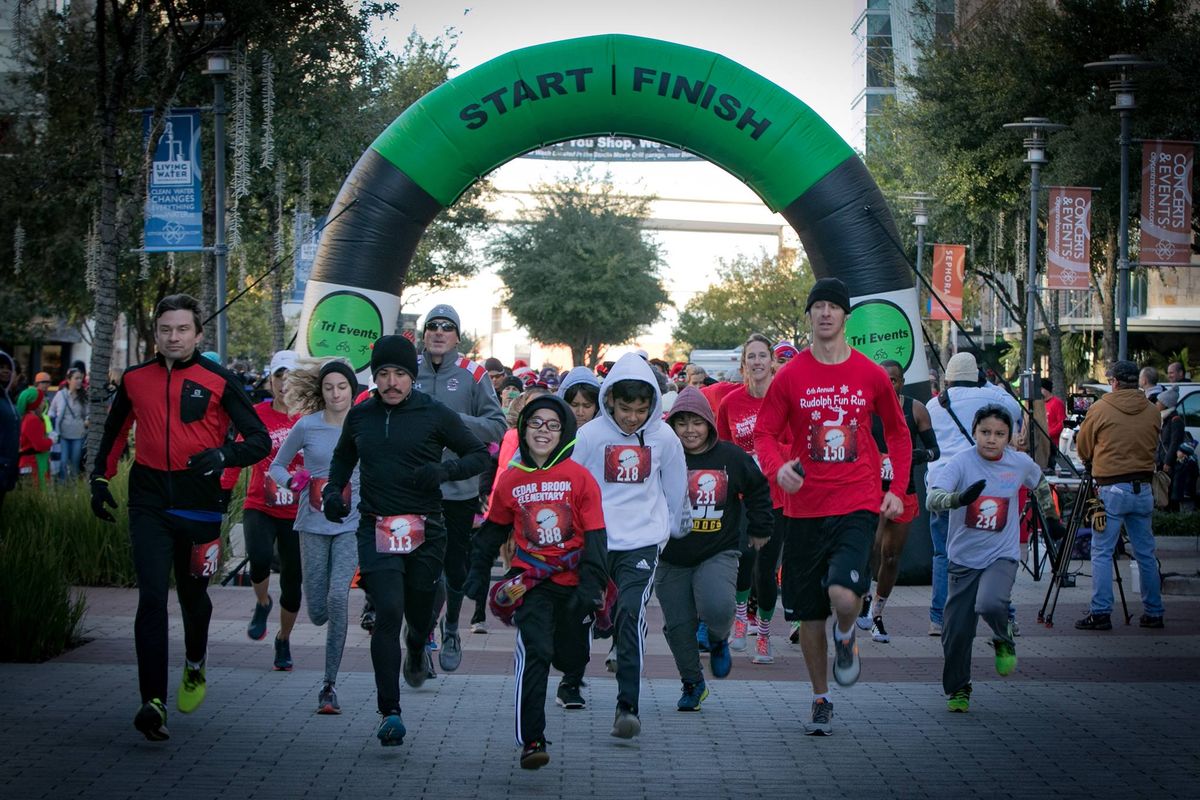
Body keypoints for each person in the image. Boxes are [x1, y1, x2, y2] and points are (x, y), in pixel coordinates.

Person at [90, 294, 270, 742]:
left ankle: (194, 664)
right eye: (166, 329)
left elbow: (259, 440)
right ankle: (152, 701)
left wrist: (224, 454)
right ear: (156, 332)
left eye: (183, 329)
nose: (174, 336)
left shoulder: (219, 380)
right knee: (151, 599)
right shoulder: (134, 379)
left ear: (198, 333)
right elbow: (114, 435)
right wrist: (99, 478)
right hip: (149, 503)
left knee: (193, 599)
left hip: (201, 507)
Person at [752, 277, 912, 736]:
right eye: (817, 306)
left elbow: (898, 434)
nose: (825, 313)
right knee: (807, 614)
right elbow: (764, 433)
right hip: (802, 507)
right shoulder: (791, 375)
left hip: (856, 501)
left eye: (833, 307)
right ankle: (820, 698)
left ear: (846, 316)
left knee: (843, 594)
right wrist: (776, 467)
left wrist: (896, 489)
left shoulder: (870, 373)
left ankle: (848, 634)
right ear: (810, 316)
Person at [322, 334, 489, 746]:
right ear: (374, 377)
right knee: (387, 612)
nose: (391, 382)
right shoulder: (361, 416)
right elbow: (344, 456)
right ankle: (389, 712)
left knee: (416, 615)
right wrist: (332, 491)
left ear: (411, 377)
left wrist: (444, 473)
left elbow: (481, 455)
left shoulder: (434, 413)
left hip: (426, 530)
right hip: (375, 526)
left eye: (399, 373)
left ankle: (417, 646)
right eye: (383, 374)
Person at [463, 394, 608, 769]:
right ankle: (532, 739)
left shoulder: (581, 477)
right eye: (536, 423)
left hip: (575, 582)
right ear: (524, 429)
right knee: (537, 653)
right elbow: (491, 534)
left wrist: (591, 590)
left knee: (571, 656)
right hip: (530, 582)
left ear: (564, 433)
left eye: (553, 425)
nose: (543, 431)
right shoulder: (510, 479)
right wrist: (477, 578)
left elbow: (596, 538)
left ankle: (572, 669)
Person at [572, 352, 688, 739]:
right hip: (597, 539)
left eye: (641, 409)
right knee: (584, 615)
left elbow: (675, 485)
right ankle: (571, 679)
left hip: (642, 541)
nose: (633, 417)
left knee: (630, 610)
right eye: (625, 408)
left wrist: (668, 531)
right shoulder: (589, 436)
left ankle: (627, 707)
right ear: (609, 400)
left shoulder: (664, 437)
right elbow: (572, 485)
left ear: (653, 403)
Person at [929, 405, 1066, 713]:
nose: (991, 440)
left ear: (1011, 436)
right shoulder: (961, 463)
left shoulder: (1018, 463)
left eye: (999, 434)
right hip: (963, 559)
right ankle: (959, 688)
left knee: (989, 603)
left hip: (1001, 556)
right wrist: (957, 499)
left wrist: (1051, 517)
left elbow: (1040, 482)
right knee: (956, 633)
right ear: (975, 432)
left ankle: (1003, 638)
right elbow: (932, 498)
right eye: (985, 432)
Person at [661, 387, 772, 709]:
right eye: (681, 423)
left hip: (717, 551)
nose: (689, 430)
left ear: (709, 422)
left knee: (718, 608)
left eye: (696, 422)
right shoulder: (664, 456)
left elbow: (758, 489)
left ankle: (719, 638)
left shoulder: (730, 456)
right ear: (672, 426)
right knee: (679, 626)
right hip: (671, 556)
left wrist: (761, 528)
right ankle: (693, 683)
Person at [414, 303, 507, 673]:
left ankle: (452, 625)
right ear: (424, 334)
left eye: (447, 327)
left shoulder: (474, 373)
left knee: (454, 569)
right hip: (415, 488)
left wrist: (454, 421)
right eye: (432, 326)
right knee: (421, 569)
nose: (438, 332)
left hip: (458, 487)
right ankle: (420, 638)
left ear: (457, 336)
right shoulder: (407, 370)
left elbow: (498, 426)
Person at [268, 358, 361, 714]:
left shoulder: (364, 426)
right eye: (329, 387)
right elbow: (277, 465)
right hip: (312, 523)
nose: (336, 393)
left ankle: (329, 684)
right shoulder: (307, 426)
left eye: (342, 386)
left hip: (351, 524)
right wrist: (292, 482)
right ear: (321, 391)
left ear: (353, 389)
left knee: (339, 597)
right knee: (319, 610)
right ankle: (319, 614)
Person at [924, 352, 1022, 635]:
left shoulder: (934, 404)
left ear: (948, 378)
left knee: (943, 554)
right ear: (977, 377)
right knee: (995, 554)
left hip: (943, 489)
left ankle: (939, 619)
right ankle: (1005, 618)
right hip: (984, 489)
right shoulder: (994, 401)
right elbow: (1015, 413)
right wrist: (987, 385)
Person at [221, 350, 304, 670]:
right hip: (260, 504)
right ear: (270, 380)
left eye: (291, 378)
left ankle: (283, 640)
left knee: (293, 584)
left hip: (297, 513)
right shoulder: (256, 414)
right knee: (258, 561)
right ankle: (262, 601)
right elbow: (238, 453)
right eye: (279, 377)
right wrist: (224, 492)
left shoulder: (309, 417)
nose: (284, 385)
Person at [1075, 360, 1164, 631]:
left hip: (1111, 488)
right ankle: (1154, 612)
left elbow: (1084, 447)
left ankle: (1101, 612)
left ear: (1113, 381)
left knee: (1102, 551)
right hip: (1143, 488)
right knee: (1145, 554)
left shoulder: (1100, 408)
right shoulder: (1152, 410)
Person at [715, 333, 787, 663]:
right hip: (742, 498)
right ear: (744, 364)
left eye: (762, 356)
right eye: (751, 357)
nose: (757, 362)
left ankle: (765, 636)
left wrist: (769, 457)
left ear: (772, 361)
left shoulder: (785, 399)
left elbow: (797, 444)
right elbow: (721, 449)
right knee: (742, 559)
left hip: (777, 497)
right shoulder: (731, 403)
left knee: (766, 569)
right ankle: (741, 620)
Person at [859, 359, 939, 643]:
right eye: (883, 380)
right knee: (870, 547)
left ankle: (878, 614)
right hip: (869, 489)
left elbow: (934, 451)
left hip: (902, 490)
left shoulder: (915, 409)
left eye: (893, 380)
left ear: (901, 382)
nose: (888, 385)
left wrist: (921, 455)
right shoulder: (865, 409)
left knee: (891, 556)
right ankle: (864, 598)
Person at [50, 367, 88, 480]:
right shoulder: (61, 395)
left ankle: (74, 491)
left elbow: (88, 412)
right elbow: (51, 410)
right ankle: (62, 488)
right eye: (76, 378)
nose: (79, 381)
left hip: (78, 435)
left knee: (75, 463)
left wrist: (87, 419)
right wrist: (52, 422)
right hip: (63, 435)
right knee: (63, 462)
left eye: (81, 378)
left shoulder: (84, 395)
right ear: (69, 380)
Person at [1154, 389, 1185, 511]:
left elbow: (1174, 443)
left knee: (1170, 492)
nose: (1156, 403)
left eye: (1159, 401)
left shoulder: (1175, 420)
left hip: (1169, 463)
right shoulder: (1163, 419)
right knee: (1162, 491)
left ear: (1165, 404)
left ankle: (1171, 516)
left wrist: (1168, 461)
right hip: (1161, 461)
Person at [17, 387, 53, 487]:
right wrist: (51, 440)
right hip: (34, 462)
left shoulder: (27, 417)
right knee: (35, 493)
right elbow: (40, 445)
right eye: (41, 400)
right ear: (35, 403)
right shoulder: (32, 419)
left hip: (29, 461)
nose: (44, 403)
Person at [0, 350, 18, 514]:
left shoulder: (7, 398)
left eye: (8, 367)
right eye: (1, 367)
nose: (5, 370)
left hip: (7, 468)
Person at [1041, 378, 1065, 469]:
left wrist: (1049, 433)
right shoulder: (1040, 403)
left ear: (1045, 389)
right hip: (1043, 442)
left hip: (1053, 443)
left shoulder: (1057, 403)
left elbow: (1062, 423)